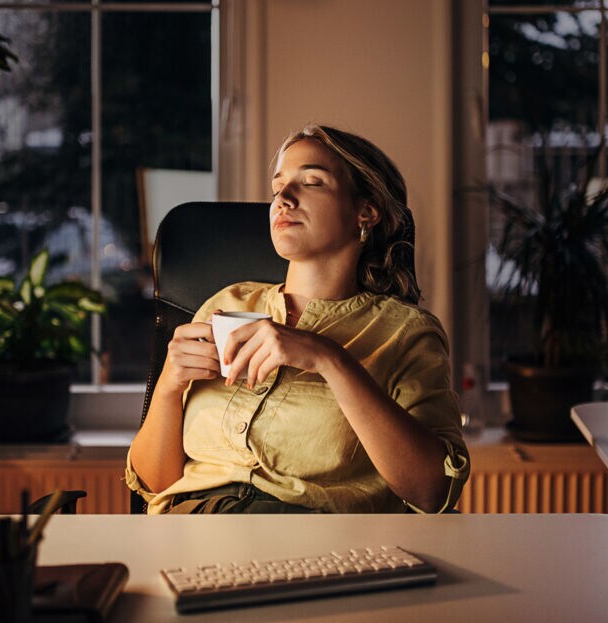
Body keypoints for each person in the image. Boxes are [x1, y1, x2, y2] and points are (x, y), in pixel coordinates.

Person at [125, 123, 470, 514]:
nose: (283, 199)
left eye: (311, 182)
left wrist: (329, 359)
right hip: (189, 532)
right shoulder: (226, 303)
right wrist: (170, 386)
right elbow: (156, 485)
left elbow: (432, 493)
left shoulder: (406, 334)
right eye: (277, 188)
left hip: (313, 545)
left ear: (366, 211)